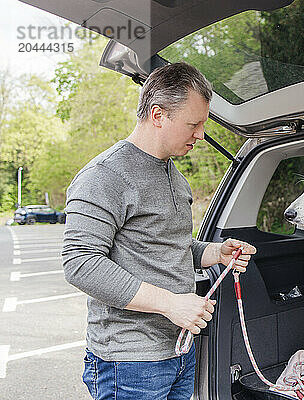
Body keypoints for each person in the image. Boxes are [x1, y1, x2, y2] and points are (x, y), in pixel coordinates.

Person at [62, 62, 257, 399]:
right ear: (157, 114)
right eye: (193, 124)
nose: (200, 135)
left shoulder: (175, 178)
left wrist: (215, 253)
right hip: (129, 362)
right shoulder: (105, 176)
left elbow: (171, 246)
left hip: (179, 352)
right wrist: (171, 304)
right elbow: (80, 263)